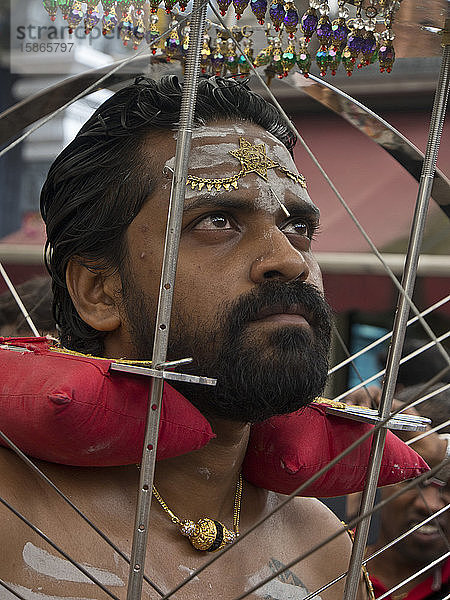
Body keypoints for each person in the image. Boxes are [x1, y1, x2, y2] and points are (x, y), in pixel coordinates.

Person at [0, 76, 371, 600]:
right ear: (100, 292)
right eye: (217, 221)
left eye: (299, 228)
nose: (290, 260)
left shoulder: (324, 552)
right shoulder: (10, 517)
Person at [350, 384, 449, 599]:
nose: (430, 505)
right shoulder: (328, 553)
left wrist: (442, 451)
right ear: (376, 475)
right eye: (414, 479)